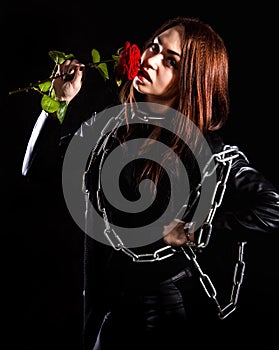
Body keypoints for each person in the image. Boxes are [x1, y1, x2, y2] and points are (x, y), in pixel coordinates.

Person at [21, 17, 279, 349]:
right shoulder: (112, 129)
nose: (152, 60)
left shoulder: (203, 151)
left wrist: (194, 232)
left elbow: (272, 206)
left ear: (193, 80)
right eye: (154, 47)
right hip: (107, 310)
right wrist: (59, 101)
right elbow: (37, 170)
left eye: (171, 62)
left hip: (160, 316)